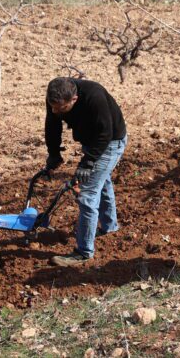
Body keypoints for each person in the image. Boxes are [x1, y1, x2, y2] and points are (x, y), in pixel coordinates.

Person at [43, 77, 128, 267]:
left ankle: (83, 252)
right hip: (92, 140)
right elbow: (52, 124)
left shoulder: (94, 96)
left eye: (61, 108)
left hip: (110, 143)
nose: (56, 111)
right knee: (101, 182)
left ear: (74, 99)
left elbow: (105, 133)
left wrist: (88, 162)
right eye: (53, 106)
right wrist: (54, 153)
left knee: (88, 194)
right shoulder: (56, 95)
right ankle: (109, 227)